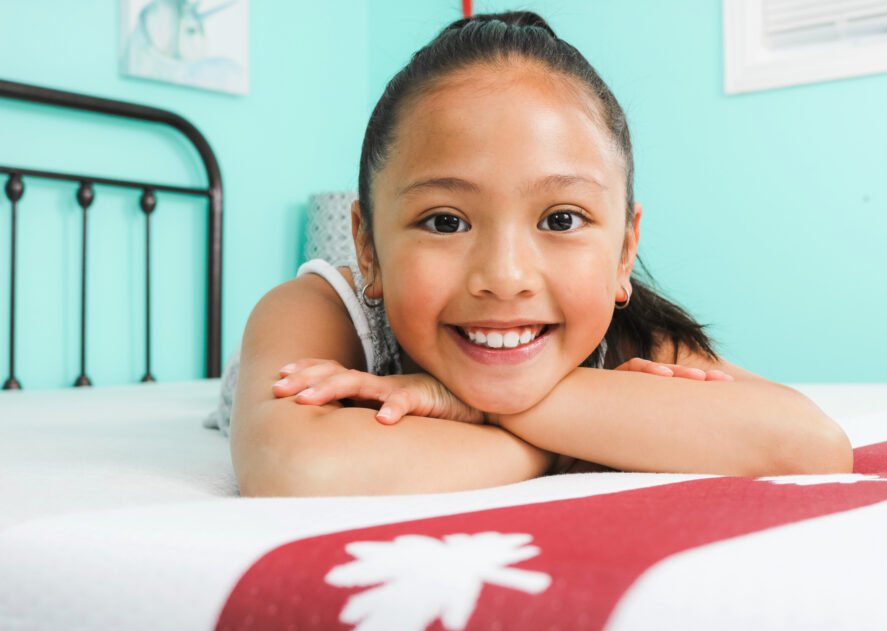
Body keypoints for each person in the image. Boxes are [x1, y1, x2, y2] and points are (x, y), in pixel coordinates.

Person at [229, 11, 853, 496]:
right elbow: (295, 467)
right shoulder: (321, 308)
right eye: (446, 221)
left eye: (560, 218)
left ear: (622, 253)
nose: (505, 277)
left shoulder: (621, 333)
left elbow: (810, 444)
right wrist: (571, 441)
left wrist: (473, 406)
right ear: (366, 247)